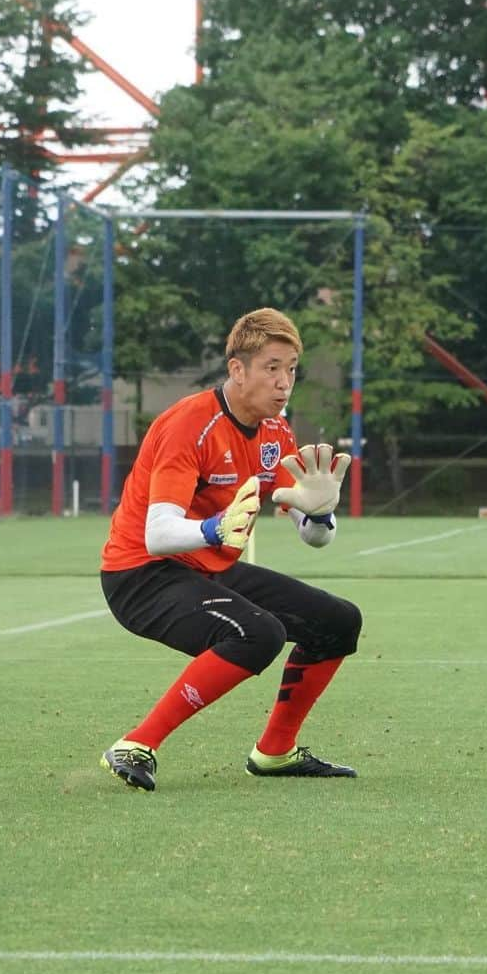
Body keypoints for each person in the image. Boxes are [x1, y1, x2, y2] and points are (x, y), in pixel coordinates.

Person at [99, 307, 361, 791]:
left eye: (291, 370)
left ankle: (275, 753)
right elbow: (158, 534)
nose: (284, 383)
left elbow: (313, 536)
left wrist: (320, 512)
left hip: (205, 567)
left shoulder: (276, 430)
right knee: (259, 633)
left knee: (339, 621)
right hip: (141, 574)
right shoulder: (189, 425)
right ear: (237, 370)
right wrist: (218, 527)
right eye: (271, 368)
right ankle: (136, 743)